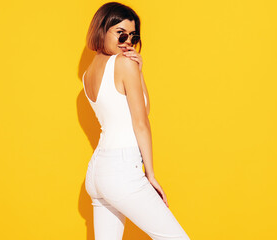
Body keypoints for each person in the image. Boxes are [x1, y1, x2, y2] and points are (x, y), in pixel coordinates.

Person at [83, 2, 190, 239]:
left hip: (98, 171)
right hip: (122, 169)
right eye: (121, 35)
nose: (128, 41)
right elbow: (141, 123)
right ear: (102, 30)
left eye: (133, 36)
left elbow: (143, 108)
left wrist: (139, 72)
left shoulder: (88, 74)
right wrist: (149, 174)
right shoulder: (123, 64)